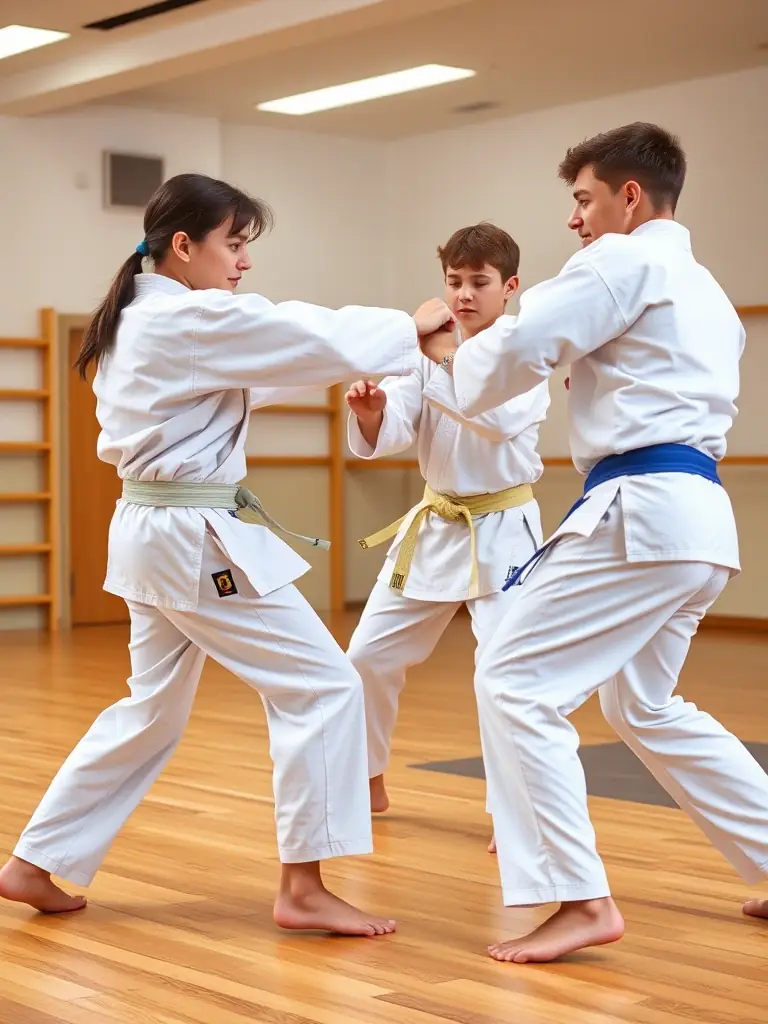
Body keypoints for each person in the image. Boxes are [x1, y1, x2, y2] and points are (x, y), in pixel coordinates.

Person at [0, 172, 454, 937]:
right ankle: (304, 888)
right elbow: (290, 334)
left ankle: (34, 862)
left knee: (150, 711)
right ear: (185, 246)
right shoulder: (184, 322)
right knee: (324, 687)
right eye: (233, 244)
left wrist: (377, 357)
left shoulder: (148, 323)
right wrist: (408, 327)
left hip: (154, 539)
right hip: (188, 542)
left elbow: (257, 368)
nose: (243, 263)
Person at [418, 123, 768, 962]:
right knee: (640, 704)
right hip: (697, 520)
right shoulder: (707, 289)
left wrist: (440, 347)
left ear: (629, 197)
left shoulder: (620, 260)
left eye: (582, 199)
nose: (574, 220)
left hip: (639, 510)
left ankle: (578, 896)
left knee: (512, 679)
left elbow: (520, 348)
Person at [345, 223, 549, 836]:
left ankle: (514, 813)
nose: (463, 294)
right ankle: (367, 774)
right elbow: (399, 426)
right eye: (454, 281)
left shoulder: (524, 350)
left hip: (504, 526)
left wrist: (443, 359)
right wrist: (374, 413)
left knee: (502, 672)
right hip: (438, 523)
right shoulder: (428, 351)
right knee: (367, 655)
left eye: (479, 282)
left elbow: (499, 419)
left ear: (509, 286)